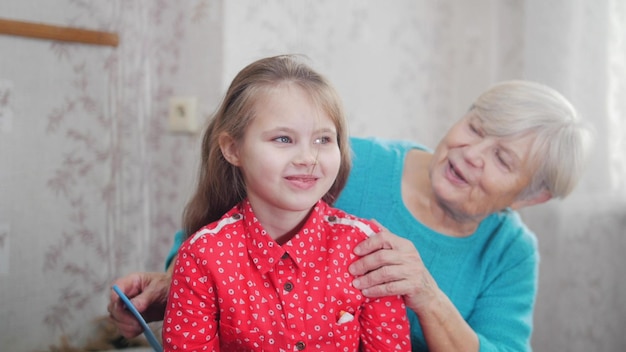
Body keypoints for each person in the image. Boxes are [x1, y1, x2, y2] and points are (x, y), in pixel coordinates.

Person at [109, 79, 592, 352]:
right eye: (476, 127)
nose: (472, 153)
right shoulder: (340, 162)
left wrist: (427, 295)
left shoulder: (511, 253)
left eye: (503, 160)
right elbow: (220, 239)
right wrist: (164, 286)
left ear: (531, 197)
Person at [157, 55, 411, 351]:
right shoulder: (201, 257)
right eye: (283, 139)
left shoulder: (368, 250)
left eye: (322, 140)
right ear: (233, 149)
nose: (307, 158)